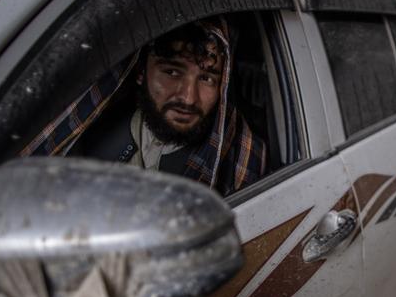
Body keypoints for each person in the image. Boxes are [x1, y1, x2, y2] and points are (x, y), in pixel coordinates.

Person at [20, 17, 266, 196]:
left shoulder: (239, 159)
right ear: (141, 72)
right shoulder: (92, 129)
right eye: (172, 72)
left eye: (206, 78)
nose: (189, 98)